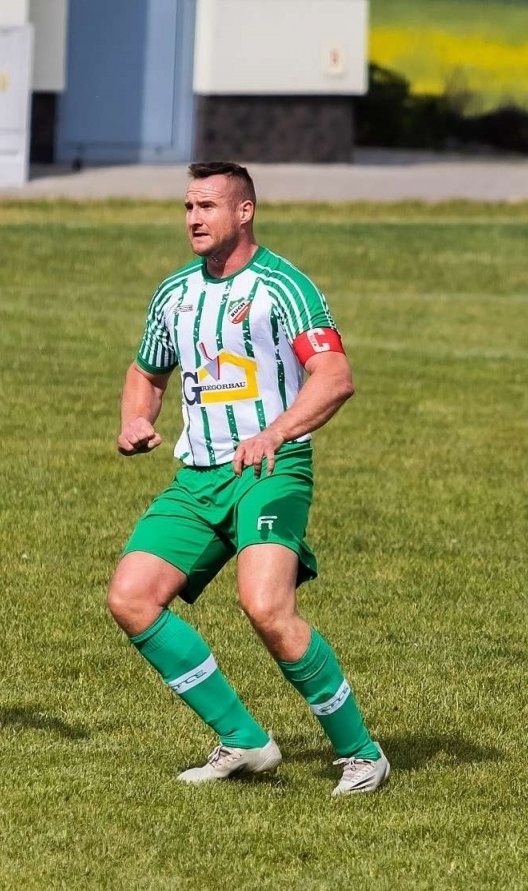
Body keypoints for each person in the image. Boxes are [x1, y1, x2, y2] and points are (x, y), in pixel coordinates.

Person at [107, 161, 390, 796]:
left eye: (207, 206)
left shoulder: (283, 287)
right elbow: (147, 371)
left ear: (244, 212)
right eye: (187, 207)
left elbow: (334, 377)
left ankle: (362, 753)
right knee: (131, 596)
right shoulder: (175, 293)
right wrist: (135, 419)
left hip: (270, 468)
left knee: (265, 606)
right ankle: (244, 741)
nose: (194, 219)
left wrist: (277, 431)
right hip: (197, 475)